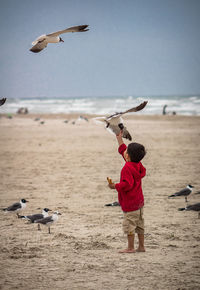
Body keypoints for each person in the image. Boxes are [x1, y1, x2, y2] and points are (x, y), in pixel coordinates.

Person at [108, 131, 146, 253]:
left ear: (128, 156)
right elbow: (124, 151)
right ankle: (141, 246)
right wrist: (119, 139)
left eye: (126, 152)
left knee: (129, 225)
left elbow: (127, 185)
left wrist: (115, 186)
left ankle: (130, 248)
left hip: (130, 204)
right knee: (140, 225)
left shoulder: (126, 168)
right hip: (139, 203)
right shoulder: (137, 164)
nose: (124, 152)